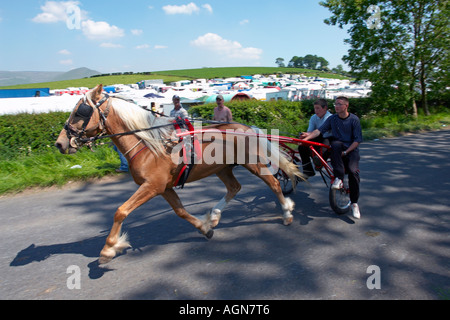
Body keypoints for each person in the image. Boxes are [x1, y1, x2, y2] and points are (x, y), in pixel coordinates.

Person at [303, 96, 363, 219]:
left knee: (353, 172)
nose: (336, 106)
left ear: (346, 106)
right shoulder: (333, 119)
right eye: (335, 104)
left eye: (339, 104)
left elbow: (357, 140)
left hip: (351, 149)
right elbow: (318, 131)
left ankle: (354, 203)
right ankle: (338, 178)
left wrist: (346, 152)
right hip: (338, 147)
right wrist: (306, 139)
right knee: (335, 144)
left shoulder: (354, 120)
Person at [298, 99, 332, 177]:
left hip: (328, 138)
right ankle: (308, 171)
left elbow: (319, 131)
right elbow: (311, 131)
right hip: (317, 137)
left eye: (318, 108)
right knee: (302, 147)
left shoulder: (329, 117)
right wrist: (305, 134)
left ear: (325, 108)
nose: (316, 110)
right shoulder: (313, 117)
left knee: (321, 150)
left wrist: (306, 137)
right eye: (315, 108)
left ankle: (319, 161)